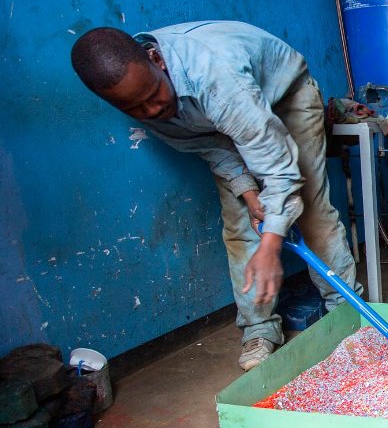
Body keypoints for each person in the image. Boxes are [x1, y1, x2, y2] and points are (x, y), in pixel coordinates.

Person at [71, 21, 367, 372]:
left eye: (153, 96)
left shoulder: (215, 75)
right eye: (136, 109)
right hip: (220, 122)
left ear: (156, 60)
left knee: (310, 211)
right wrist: (247, 190)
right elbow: (213, 146)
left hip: (286, 96)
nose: (151, 112)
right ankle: (258, 328)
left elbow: (280, 169)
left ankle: (349, 315)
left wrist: (273, 244)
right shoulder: (139, 92)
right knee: (242, 224)